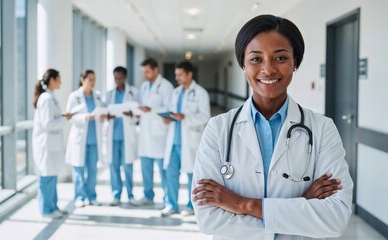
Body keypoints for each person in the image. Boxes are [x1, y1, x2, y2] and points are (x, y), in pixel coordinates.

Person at [192, 15, 353, 239]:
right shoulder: (218, 128)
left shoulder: (322, 129)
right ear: (243, 64)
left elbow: (335, 218)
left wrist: (242, 204)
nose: (268, 69)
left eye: (280, 58)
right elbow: (209, 219)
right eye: (256, 59)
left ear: (295, 62)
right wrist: (301, 206)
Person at [161, 61, 210, 217]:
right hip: (174, 140)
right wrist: (168, 118)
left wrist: (185, 117)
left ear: (190, 74)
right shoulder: (175, 93)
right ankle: (171, 205)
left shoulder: (201, 93)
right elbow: (171, 111)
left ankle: (191, 206)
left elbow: (205, 116)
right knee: (171, 174)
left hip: (190, 141)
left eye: (180, 75)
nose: (177, 78)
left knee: (192, 175)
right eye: (176, 75)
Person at [32, 69, 71, 219]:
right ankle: (46, 210)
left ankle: (53, 206)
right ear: (52, 80)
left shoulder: (50, 97)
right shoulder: (46, 99)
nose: (61, 82)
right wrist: (64, 120)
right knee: (46, 178)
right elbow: (48, 123)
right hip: (45, 144)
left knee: (52, 176)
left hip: (51, 144)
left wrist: (62, 116)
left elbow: (51, 118)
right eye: (59, 79)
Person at [65, 70, 106, 208]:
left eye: (94, 79)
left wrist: (102, 116)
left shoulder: (98, 96)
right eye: (90, 80)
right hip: (79, 139)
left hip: (94, 140)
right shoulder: (74, 96)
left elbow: (103, 111)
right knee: (79, 171)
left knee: (93, 171)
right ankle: (79, 197)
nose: (93, 82)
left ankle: (92, 196)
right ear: (82, 80)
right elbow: (69, 117)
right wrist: (84, 117)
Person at [136, 58, 174, 206]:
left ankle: (167, 198)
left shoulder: (166, 86)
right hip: (145, 132)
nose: (145, 75)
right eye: (143, 72)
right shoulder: (144, 86)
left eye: (147, 71)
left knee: (162, 168)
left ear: (155, 70)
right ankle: (148, 195)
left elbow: (169, 109)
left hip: (159, 133)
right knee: (145, 167)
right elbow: (142, 106)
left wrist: (151, 110)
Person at [104, 66, 140, 206]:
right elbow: (104, 112)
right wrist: (108, 115)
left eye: (120, 78)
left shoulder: (134, 93)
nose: (117, 80)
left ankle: (130, 195)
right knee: (114, 166)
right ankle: (116, 195)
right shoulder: (109, 94)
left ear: (125, 77)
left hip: (127, 135)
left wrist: (131, 114)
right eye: (115, 78)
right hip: (113, 135)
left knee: (128, 166)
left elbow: (138, 114)